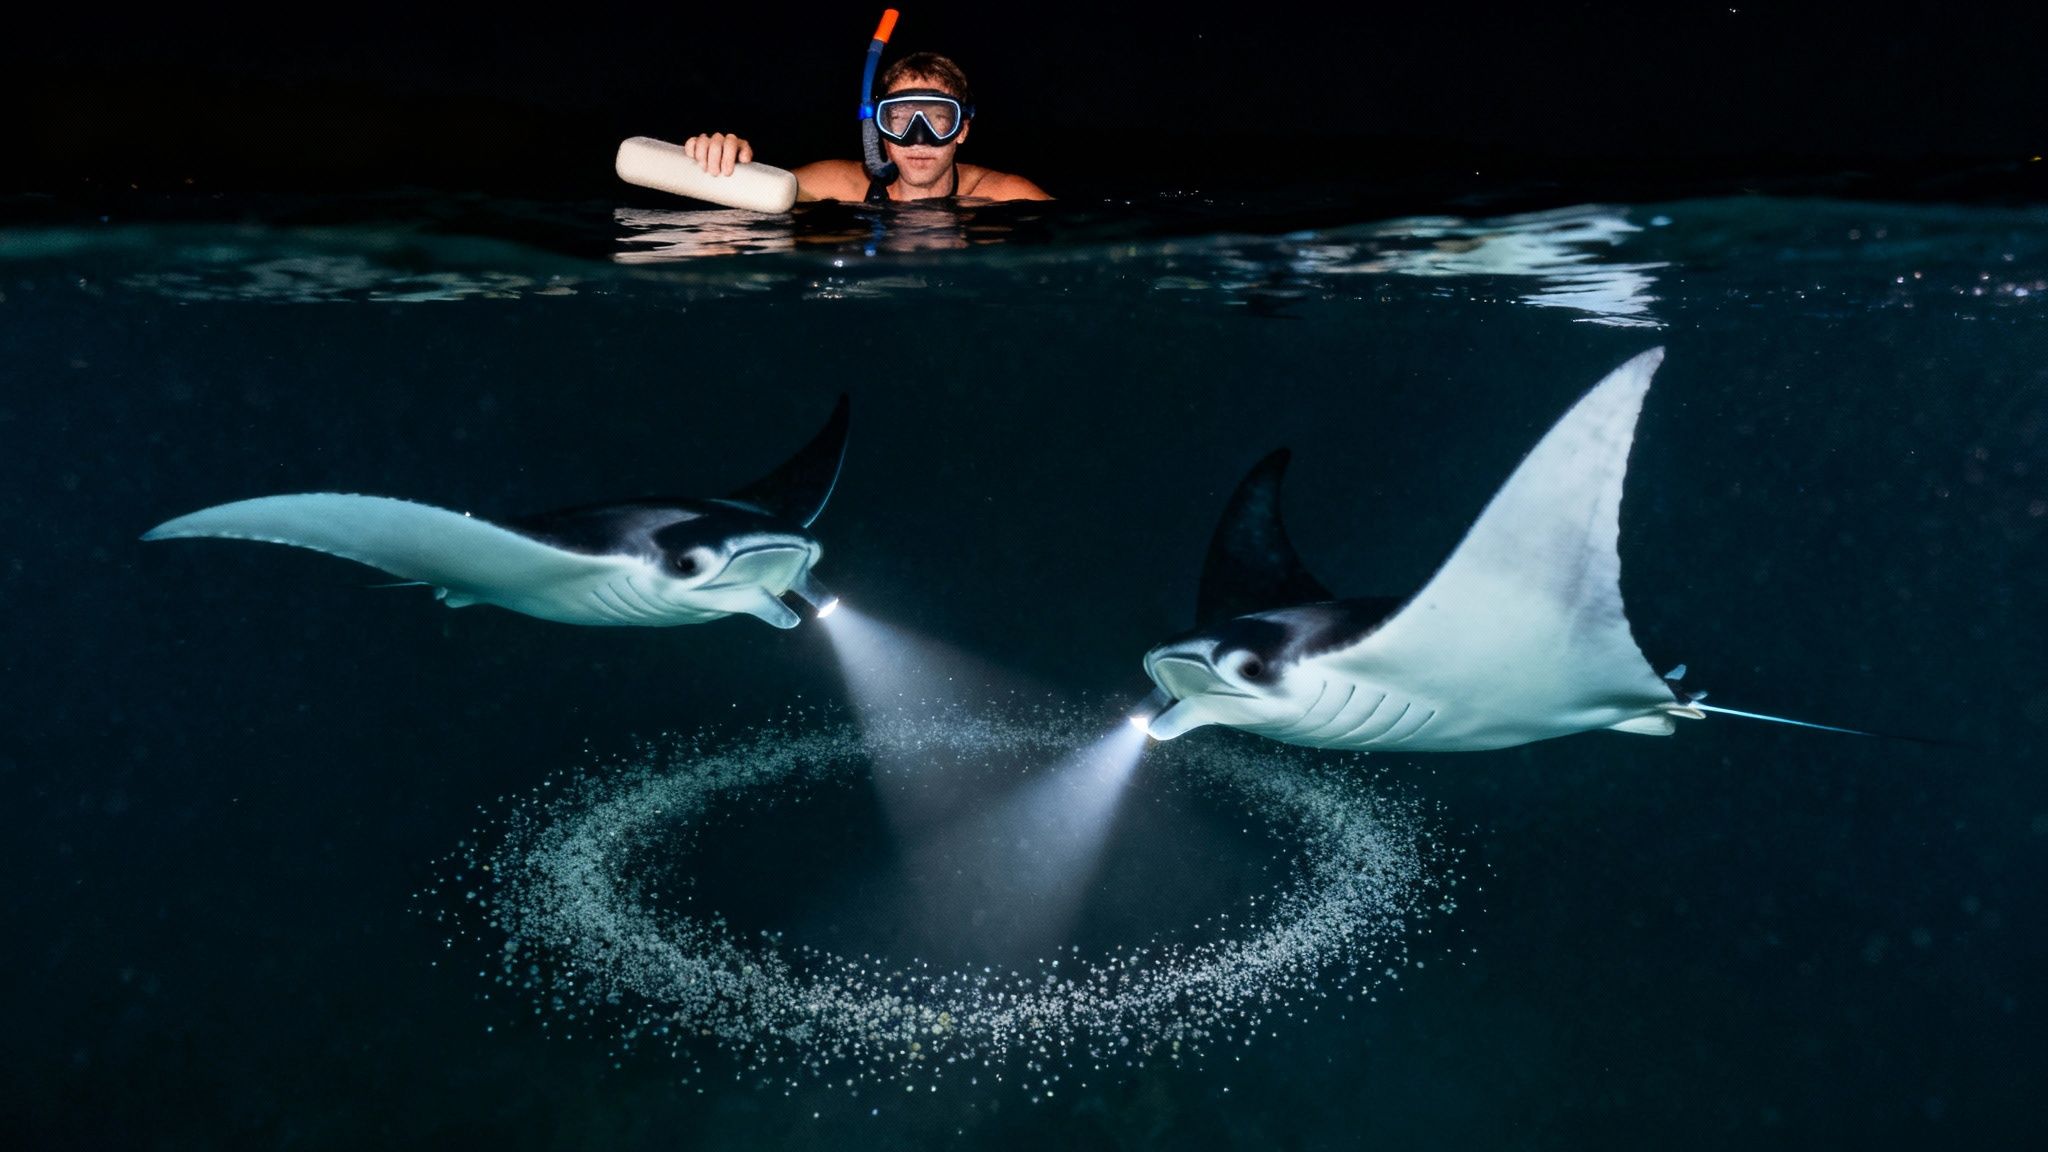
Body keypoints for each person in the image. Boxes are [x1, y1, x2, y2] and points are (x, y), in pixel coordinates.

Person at [682, 52, 1049, 203]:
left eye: (938, 118)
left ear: (962, 129)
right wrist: (723, 159)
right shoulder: (841, 185)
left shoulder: (1004, 196)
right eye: (901, 118)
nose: (918, 139)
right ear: (878, 127)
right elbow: (750, 195)